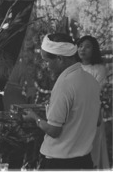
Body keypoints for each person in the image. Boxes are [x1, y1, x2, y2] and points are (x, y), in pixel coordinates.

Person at [22, 33, 101, 170]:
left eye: (47, 61)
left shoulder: (64, 84)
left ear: (59, 58)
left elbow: (54, 130)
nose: (46, 66)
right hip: (84, 161)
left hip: (60, 162)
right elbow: (98, 120)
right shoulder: (91, 80)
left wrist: (34, 118)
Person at [77, 35, 110, 169]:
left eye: (87, 46)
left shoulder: (99, 69)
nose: (82, 49)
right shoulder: (74, 67)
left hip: (92, 113)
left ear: (94, 50)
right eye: (80, 46)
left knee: (93, 149)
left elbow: (96, 92)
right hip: (75, 114)